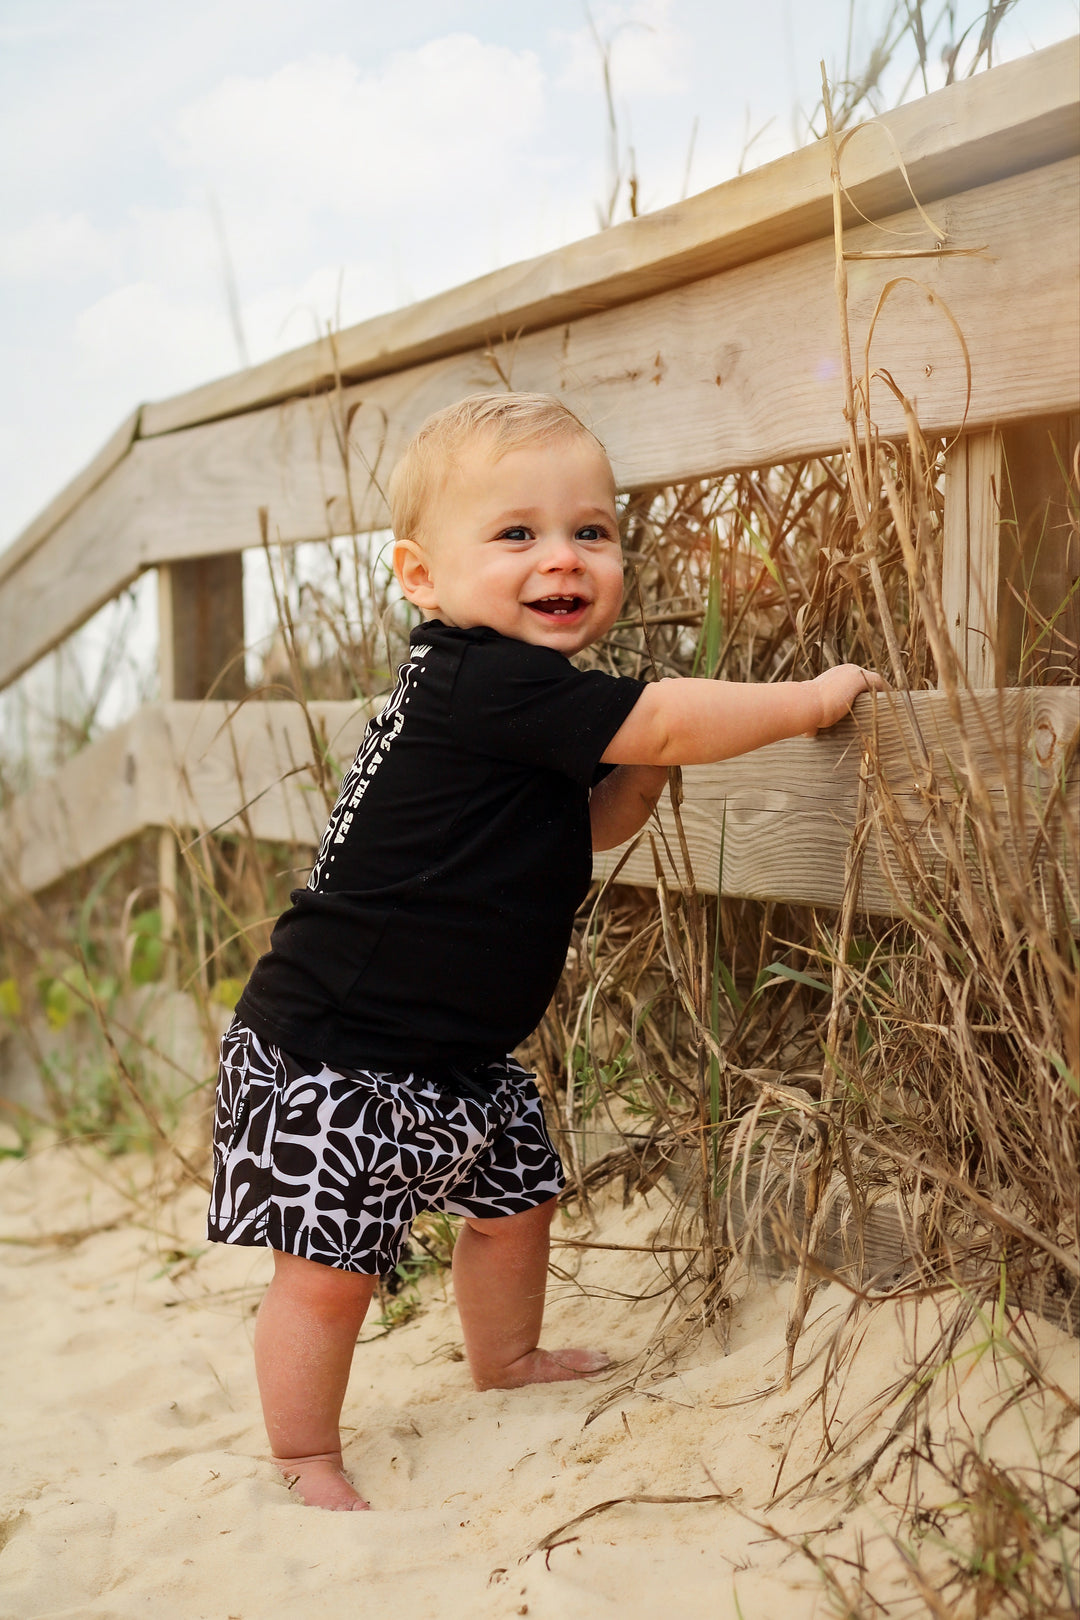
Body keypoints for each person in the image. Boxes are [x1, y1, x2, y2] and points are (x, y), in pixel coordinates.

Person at [207, 392, 882, 1511]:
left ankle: (505, 1359)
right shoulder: (482, 679)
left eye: (591, 532)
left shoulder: (518, 704)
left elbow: (595, 822)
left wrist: (649, 762)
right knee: (330, 1277)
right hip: (332, 1055)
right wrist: (810, 700)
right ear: (420, 576)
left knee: (516, 1201)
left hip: (453, 1054)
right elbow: (663, 714)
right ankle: (302, 1452)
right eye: (515, 534)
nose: (561, 557)